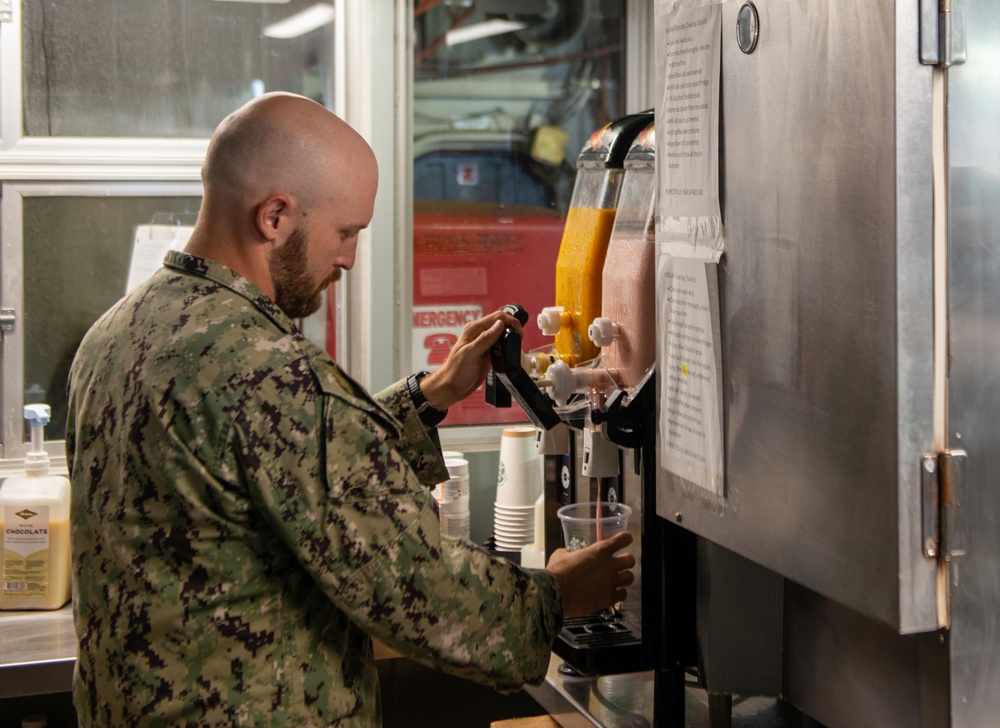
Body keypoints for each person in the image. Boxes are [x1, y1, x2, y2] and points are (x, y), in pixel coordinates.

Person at [66, 92, 635, 726]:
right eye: (345, 233)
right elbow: (425, 595)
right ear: (275, 216)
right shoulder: (271, 373)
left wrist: (430, 394)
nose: (348, 259)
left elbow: (270, 466)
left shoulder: (118, 332)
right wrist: (556, 597)